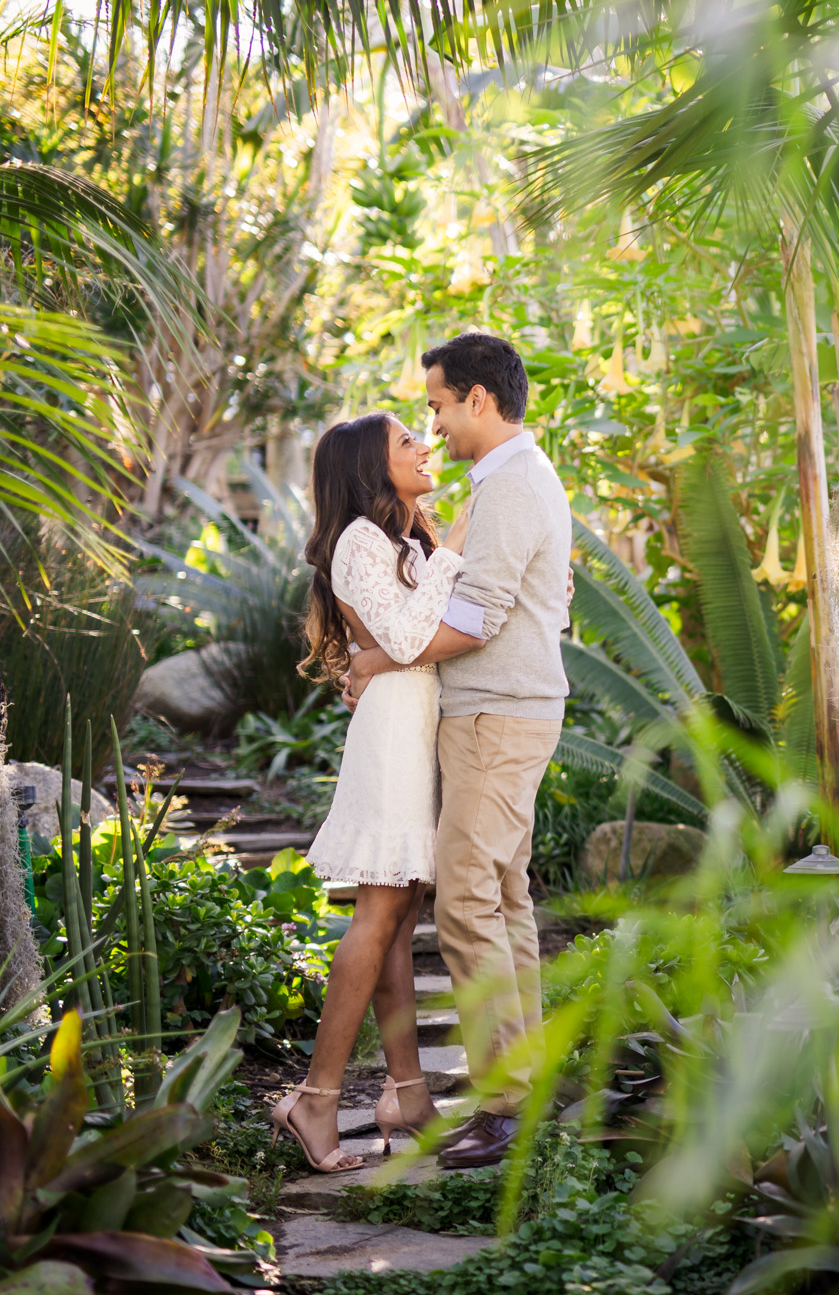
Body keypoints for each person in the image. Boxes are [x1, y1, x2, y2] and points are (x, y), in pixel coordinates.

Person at [344, 332, 573, 1169]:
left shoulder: (512, 485)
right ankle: (524, 1087)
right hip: (506, 711)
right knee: (503, 898)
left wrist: (380, 656)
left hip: (496, 716)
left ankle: (506, 1106)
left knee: (468, 901)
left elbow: (480, 616)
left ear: (480, 398)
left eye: (438, 405)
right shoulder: (514, 481)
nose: (432, 424)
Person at [270, 412, 467, 1173]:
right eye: (406, 443)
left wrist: (434, 554)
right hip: (391, 739)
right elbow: (411, 638)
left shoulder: (400, 538)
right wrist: (448, 558)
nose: (424, 448)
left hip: (413, 726)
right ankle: (316, 1099)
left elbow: (401, 643)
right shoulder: (357, 538)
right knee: (380, 911)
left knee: (395, 913)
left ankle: (408, 1092)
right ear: (369, 467)